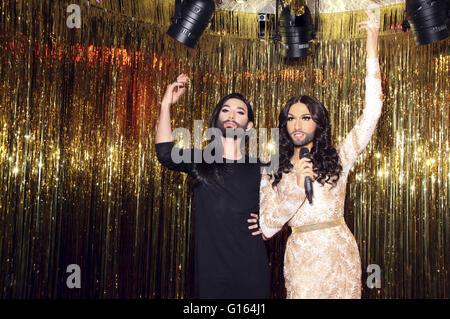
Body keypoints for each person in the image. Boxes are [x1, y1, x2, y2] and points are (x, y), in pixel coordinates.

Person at [259, 9, 382, 298]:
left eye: (305, 117)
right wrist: (298, 189)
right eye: (291, 118)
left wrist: (372, 47)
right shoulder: (271, 169)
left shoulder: (339, 158)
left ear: (318, 122)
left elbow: (372, 112)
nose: (297, 124)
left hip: (340, 254)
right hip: (301, 258)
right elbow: (266, 226)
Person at [155, 76, 270, 299]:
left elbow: (290, 201)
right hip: (211, 273)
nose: (231, 116)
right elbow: (164, 153)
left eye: (240, 112)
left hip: (252, 270)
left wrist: (272, 226)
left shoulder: (261, 168)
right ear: (217, 119)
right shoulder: (200, 161)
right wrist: (165, 104)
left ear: (249, 127)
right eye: (225, 110)